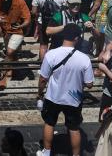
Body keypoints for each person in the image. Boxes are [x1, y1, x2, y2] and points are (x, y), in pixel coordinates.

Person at [37, 24, 92, 156]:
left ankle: (47, 152)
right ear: (76, 39)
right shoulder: (84, 59)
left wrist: (39, 94)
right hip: (74, 99)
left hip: (53, 97)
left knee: (49, 123)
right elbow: (89, 84)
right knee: (74, 128)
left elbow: (43, 79)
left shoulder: (51, 54)